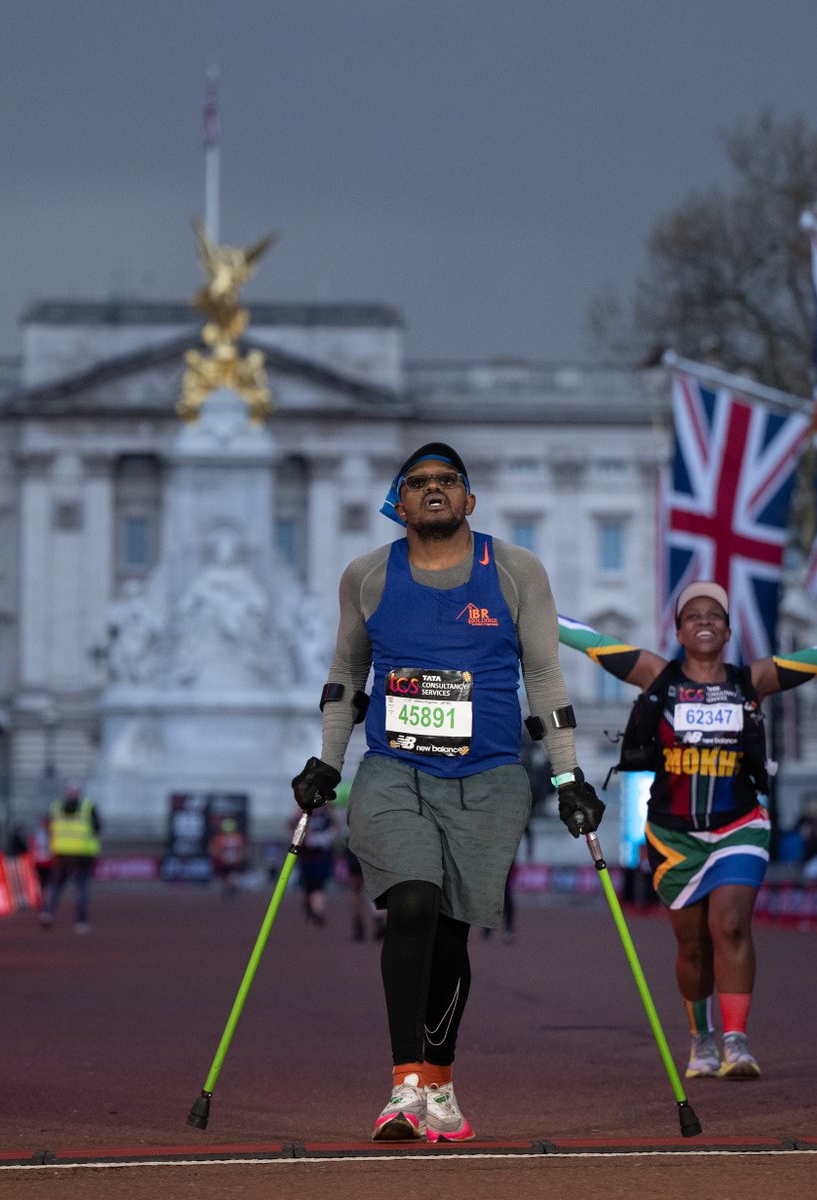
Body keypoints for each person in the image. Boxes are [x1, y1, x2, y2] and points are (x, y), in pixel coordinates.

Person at [291, 442, 603, 1143]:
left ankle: (440, 1081)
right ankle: (404, 1084)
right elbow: (346, 675)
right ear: (399, 502)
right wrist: (327, 762)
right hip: (394, 770)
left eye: (447, 481)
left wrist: (569, 775)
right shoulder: (367, 575)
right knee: (412, 902)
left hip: (490, 776)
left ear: (469, 500)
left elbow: (546, 679)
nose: (433, 491)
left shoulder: (517, 571)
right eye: (418, 483)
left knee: (452, 931)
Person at [560, 581, 817, 1080]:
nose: (705, 622)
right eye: (693, 616)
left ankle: (737, 1042)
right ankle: (701, 1039)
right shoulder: (657, 676)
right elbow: (591, 641)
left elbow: (815, 658)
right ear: (678, 631)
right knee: (692, 947)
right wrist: (530, 611)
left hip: (740, 824)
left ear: (730, 630)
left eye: (715, 615)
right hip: (672, 836)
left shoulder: (749, 680)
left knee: (731, 925)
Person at [39, 783, 102, 933]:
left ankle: (47, 912)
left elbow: (49, 827)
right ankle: (81, 921)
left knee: (56, 886)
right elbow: (97, 828)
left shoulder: (56, 806)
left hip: (61, 853)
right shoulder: (88, 807)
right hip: (82, 854)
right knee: (81, 888)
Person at [294, 803, 339, 926]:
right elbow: (293, 825)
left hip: (322, 855)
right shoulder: (304, 810)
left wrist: (331, 836)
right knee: (307, 885)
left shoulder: (328, 812)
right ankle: (309, 907)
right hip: (307, 855)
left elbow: (336, 826)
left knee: (319, 883)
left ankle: (318, 910)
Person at [208, 816, 248, 899]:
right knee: (225, 880)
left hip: (233, 863)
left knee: (233, 879)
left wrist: (238, 858)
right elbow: (214, 850)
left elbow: (242, 850)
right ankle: (228, 894)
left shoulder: (237, 837)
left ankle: (232, 894)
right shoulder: (219, 839)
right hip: (224, 863)